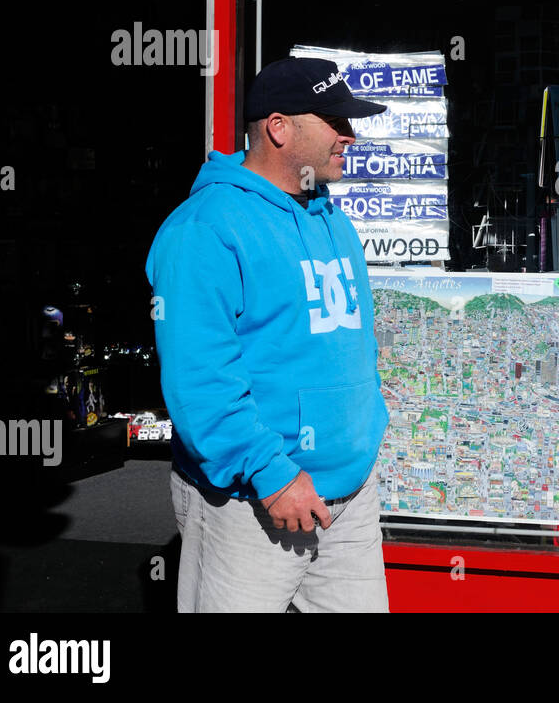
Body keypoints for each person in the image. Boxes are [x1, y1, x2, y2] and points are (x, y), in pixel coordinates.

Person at [145, 56, 391, 612]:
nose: (349, 136)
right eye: (335, 121)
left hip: (349, 499)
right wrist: (270, 475)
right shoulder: (204, 228)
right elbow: (199, 380)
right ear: (279, 127)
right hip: (251, 504)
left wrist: (366, 437)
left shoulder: (331, 217)